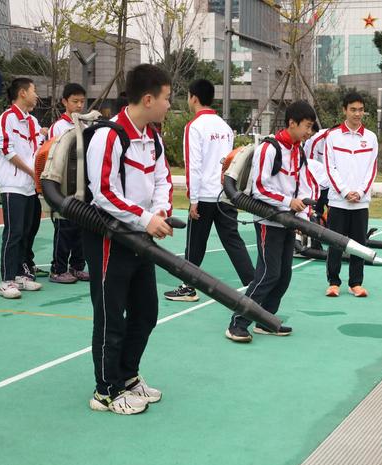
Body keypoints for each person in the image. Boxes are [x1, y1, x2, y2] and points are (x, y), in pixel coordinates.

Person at [83, 64, 174, 414]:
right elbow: (104, 192)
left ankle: (128, 375)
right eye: (166, 98)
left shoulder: (152, 137)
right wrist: (145, 218)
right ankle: (105, 390)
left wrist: (161, 210)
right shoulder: (110, 135)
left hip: (141, 239)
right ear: (148, 99)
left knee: (146, 313)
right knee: (110, 317)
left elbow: (163, 180)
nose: (169, 105)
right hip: (111, 239)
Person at [225, 100, 317, 343]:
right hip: (268, 221)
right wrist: (288, 202)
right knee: (268, 274)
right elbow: (258, 189)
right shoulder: (270, 149)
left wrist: (304, 210)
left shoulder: (299, 150)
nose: (309, 132)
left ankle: (266, 321)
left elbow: (304, 183)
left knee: (284, 275)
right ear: (292, 123)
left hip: (288, 221)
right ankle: (238, 323)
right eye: (307, 127)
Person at [164, 79, 254, 302]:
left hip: (204, 195)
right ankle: (253, 285)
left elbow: (193, 164)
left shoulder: (194, 127)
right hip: (225, 193)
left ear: (193, 97)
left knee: (195, 243)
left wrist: (193, 199)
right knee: (233, 241)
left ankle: (188, 287)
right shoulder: (224, 127)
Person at [0, 78, 45, 299]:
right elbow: (7, 150)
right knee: (13, 233)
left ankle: (22, 275)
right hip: (13, 185)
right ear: (22, 93)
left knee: (28, 231)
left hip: (30, 187)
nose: (36, 95)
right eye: (34, 91)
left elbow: (40, 148)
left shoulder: (32, 121)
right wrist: (31, 171)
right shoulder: (6, 119)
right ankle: (7, 280)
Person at [323, 92, 378, 298]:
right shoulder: (333, 136)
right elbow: (330, 168)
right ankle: (333, 282)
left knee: (359, 243)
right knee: (336, 243)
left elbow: (371, 170)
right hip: (338, 201)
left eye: (361, 109)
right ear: (344, 110)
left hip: (361, 202)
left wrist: (361, 192)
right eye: (353, 109)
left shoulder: (371, 137)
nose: (357, 114)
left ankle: (355, 283)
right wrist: (345, 192)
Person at [47, 83, 90, 284]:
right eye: (75, 101)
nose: (79, 105)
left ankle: (77, 267)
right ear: (64, 102)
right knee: (64, 229)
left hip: (82, 186)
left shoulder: (85, 124)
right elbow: (53, 156)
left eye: (82, 101)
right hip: (64, 186)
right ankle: (58, 269)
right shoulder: (59, 126)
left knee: (82, 229)